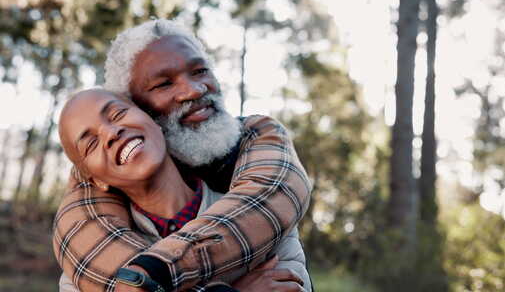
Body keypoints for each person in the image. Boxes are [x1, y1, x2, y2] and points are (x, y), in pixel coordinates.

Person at [52, 19, 312, 291]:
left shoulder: (266, 220)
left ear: (141, 118)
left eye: (200, 71)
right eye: (163, 84)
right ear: (143, 108)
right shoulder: (80, 266)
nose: (194, 90)